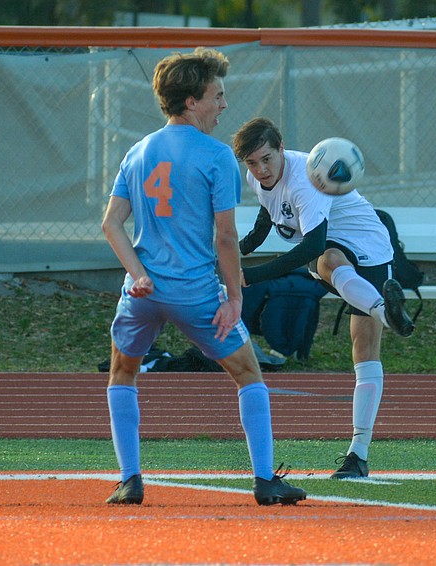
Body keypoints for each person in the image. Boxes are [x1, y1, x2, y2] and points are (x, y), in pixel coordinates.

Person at [100, 50, 305, 506]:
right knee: (249, 373)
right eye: (217, 95)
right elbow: (226, 238)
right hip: (195, 292)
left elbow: (110, 224)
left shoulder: (138, 151)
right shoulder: (216, 156)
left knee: (122, 374)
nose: (224, 105)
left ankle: (129, 480)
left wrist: (137, 275)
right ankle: (266, 480)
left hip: (143, 294)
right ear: (192, 101)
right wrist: (234, 298)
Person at [231, 117, 415, 480]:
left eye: (267, 158)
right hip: (339, 253)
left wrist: (249, 276)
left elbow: (310, 246)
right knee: (331, 264)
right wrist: (232, 255)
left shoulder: (307, 179)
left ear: (281, 148)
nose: (261, 169)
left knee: (361, 348)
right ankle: (385, 312)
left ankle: (357, 456)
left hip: (371, 249)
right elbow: (267, 219)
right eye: (252, 163)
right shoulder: (258, 176)